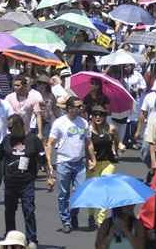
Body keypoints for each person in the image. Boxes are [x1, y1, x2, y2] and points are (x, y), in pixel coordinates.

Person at [45, 96, 96, 233]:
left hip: (79, 163)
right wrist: (49, 163)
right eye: (78, 106)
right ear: (69, 108)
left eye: (81, 106)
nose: (81, 108)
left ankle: (73, 215)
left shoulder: (84, 123)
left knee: (80, 193)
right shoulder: (59, 123)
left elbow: (88, 142)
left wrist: (93, 159)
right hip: (63, 162)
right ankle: (66, 221)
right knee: (64, 194)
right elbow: (50, 143)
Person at [0, 114, 43, 248]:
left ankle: (32, 238)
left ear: (20, 125)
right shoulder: (7, 139)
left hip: (26, 181)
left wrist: (50, 174)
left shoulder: (32, 139)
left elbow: (42, 157)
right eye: (7, 128)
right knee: (9, 211)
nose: (9, 130)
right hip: (10, 182)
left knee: (29, 210)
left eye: (11, 127)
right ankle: (10, 237)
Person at [88, 105, 118, 228]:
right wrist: (89, 160)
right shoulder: (88, 130)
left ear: (105, 116)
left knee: (105, 191)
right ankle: (91, 215)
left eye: (101, 114)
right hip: (93, 164)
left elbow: (117, 139)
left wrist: (117, 148)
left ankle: (100, 220)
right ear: (92, 117)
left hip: (108, 163)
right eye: (95, 114)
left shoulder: (111, 128)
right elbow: (86, 146)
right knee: (93, 191)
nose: (98, 117)